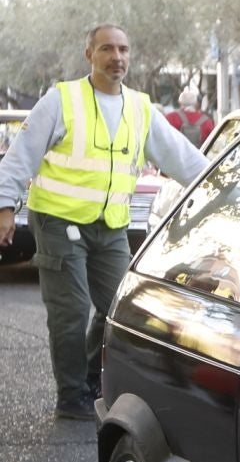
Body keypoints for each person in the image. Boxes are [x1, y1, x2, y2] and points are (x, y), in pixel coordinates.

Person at [0, 24, 209, 419]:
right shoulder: (62, 100)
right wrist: (5, 207)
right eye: (108, 49)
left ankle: (95, 379)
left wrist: (223, 186)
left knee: (119, 306)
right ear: (89, 55)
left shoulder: (140, 108)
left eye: (124, 50)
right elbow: (20, 155)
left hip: (110, 226)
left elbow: (184, 159)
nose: (118, 57)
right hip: (58, 223)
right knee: (71, 310)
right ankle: (72, 395)